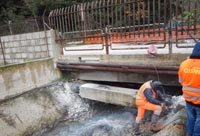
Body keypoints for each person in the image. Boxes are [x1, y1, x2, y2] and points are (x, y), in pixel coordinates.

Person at [178, 42, 200, 136]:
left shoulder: (184, 64)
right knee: (199, 121)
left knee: (191, 118)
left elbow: (181, 81)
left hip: (188, 99)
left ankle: (189, 133)